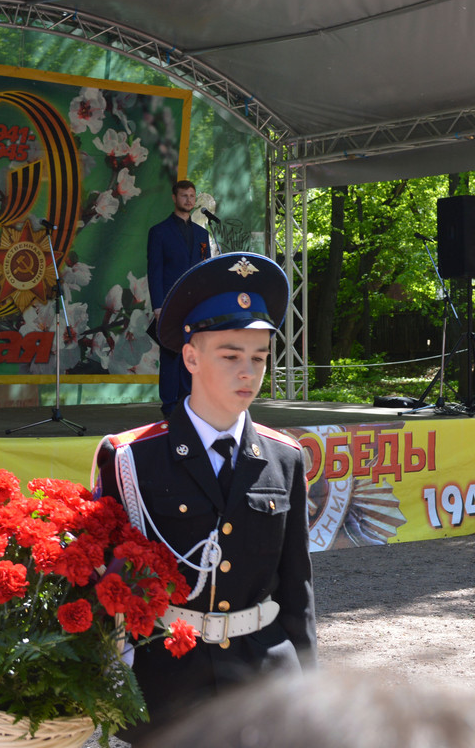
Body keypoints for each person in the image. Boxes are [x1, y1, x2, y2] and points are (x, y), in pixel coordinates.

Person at [94, 252, 316, 745]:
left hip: (263, 676)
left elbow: (296, 588)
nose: (249, 372)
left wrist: (312, 691)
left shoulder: (285, 458)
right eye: (231, 355)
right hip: (169, 681)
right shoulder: (132, 458)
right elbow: (103, 579)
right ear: (191, 357)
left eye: (259, 357)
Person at [151, 666, 475, 748]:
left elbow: (295, 578)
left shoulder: (281, 456)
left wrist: (305, 675)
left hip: (262, 652)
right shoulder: (130, 456)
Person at [147, 179, 212, 417]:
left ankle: (189, 404)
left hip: (195, 304)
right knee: (171, 353)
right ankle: (169, 407)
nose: (188, 200)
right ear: (174, 198)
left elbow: (206, 271)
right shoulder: (159, 231)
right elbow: (155, 271)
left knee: (193, 351)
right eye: (184, 196)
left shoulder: (202, 233)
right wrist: (158, 305)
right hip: (170, 302)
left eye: (192, 196)